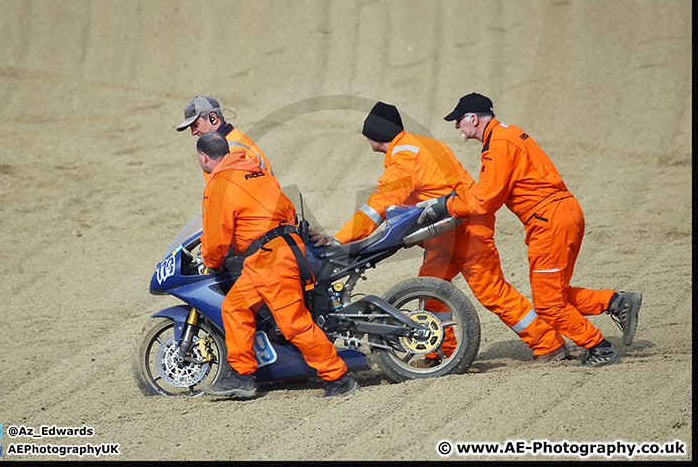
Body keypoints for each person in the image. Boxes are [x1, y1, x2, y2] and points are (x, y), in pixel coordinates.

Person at [310, 101, 568, 366]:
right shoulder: (422, 144)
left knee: (492, 291)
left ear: (372, 136)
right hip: (452, 233)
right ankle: (440, 354)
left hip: (464, 231)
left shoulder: (405, 158)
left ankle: (548, 344)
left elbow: (378, 207)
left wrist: (339, 241)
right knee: (431, 292)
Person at [418, 92, 642, 367]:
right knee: (553, 294)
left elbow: (484, 201)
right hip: (563, 214)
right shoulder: (508, 135)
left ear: (473, 119)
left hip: (549, 222)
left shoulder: (498, 145)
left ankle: (599, 348)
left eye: (459, 121)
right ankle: (616, 302)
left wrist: (447, 206)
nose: (457, 127)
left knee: (548, 304)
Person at [196, 131, 358, 398]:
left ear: (203, 157)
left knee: (294, 323)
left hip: (269, 260)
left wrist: (213, 263)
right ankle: (242, 376)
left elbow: (215, 237)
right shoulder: (257, 171)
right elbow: (288, 210)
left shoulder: (218, 184)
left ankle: (338, 377)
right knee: (235, 307)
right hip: (283, 251)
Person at [177, 95, 274, 183]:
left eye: (195, 125)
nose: (193, 132)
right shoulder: (229, 140)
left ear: (213, 119)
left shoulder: (231, 150)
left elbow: (244, 194)